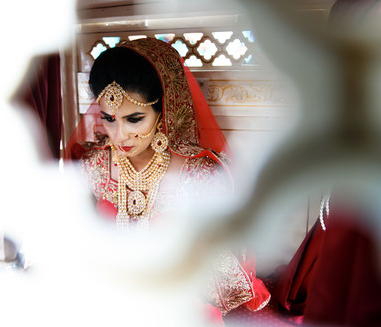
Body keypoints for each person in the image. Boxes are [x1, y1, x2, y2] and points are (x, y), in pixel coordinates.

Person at [66, 37, 270, 315]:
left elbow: (213, 267)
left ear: (165, 110)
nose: (119, 135)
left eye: (135, 119)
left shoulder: (196, 173)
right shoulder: (95, 162)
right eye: (109, 119)